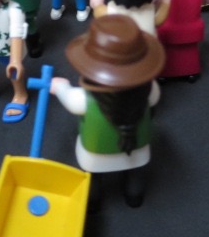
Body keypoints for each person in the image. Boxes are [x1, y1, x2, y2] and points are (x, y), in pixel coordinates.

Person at [50, 14, 164, 209]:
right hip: (137, 150)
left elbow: (68, 97)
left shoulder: (83, 99)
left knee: (93, 178)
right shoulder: (150, 90)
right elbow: (155, 99)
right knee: (135, 174)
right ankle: (134, 197)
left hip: (96, 154)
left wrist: (60, 87)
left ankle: (94, 202)